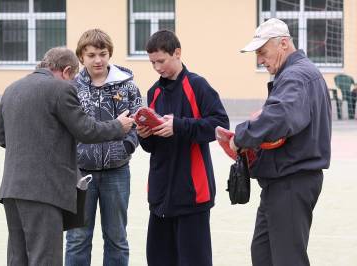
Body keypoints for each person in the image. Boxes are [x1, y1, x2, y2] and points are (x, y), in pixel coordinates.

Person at [0, 47, 134, 266]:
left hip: (12, 191)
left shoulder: (12, 89)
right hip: (45, 192)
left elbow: (2, 138)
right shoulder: (60, 89)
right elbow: (86, 130)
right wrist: (118, 126)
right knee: (46, 259)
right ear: (67, 71)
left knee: (18, 258)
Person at [230, 18, 332, 266]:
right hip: (284, 181)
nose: (260, 60)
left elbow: (280, 117)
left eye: (263, 52)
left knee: (286, 259)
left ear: (283, 44)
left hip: (291, 181)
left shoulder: (295, 76)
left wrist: (241, 136)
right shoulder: (301, 73)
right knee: (264, 254)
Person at [137, 30, 229, 266]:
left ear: (177, 53)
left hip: (192, 195)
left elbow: (220, 125)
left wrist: (178, 125)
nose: (157, 68)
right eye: (152, 63)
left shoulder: (197, 85)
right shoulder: (154, 92)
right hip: (159, 196)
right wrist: (144, 135)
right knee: (158, 260)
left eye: (161, 61)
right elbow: (151, 147)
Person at [64, 29, 142, 266]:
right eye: (91, 55)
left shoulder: (127, 85)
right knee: (77, 238)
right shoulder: (71, 88)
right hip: (79, 174)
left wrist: (126, 147)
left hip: (117, 173)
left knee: (117, 238)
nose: (98, 60)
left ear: (109, 54)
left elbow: (139, 121)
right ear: (81, 57)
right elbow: (63, 127)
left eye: (103, 53)